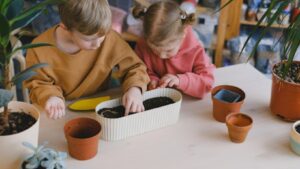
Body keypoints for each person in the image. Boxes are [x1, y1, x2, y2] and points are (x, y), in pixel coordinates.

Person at [25, 0, 150, 119]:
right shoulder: (38, 49)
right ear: (65, 27)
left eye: (102, 35)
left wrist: (134, 89)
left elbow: (134, 67)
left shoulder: (109, 37)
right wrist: (51, 97)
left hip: (100, 106)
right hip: (61, 113)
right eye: (88, 39)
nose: (97, 44)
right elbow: (38, 84)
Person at [133, 0, 215, 99]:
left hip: (188, 101)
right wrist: (152, 80)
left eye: (168, 50)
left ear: (183, 34)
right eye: (154, 50)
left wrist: (180, 80)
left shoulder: (195, 49)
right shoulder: (143, 45)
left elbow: (207, 83)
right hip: (163, 101)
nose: (161, 56)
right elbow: (141, 70)